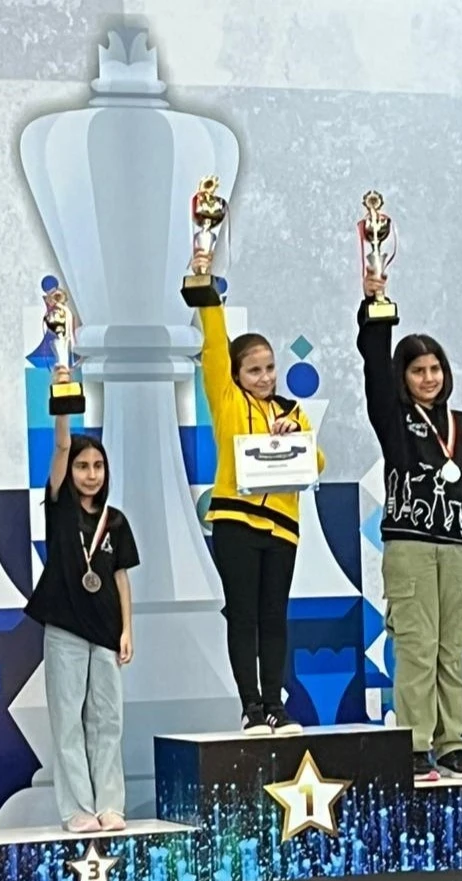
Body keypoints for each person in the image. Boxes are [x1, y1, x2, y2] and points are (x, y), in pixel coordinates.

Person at [357, 275, 462, 779]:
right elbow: (374, 368)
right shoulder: (394, 421)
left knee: (452, 651)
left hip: (461, 549)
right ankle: (415, 745)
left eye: (435, 369)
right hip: (411, 548)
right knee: (417, 649)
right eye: (417, 370)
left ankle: (452, 745)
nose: (428, 378)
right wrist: (376, 308)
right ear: (402, 377)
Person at [192, 257, 325, 735]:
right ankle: (250, 707)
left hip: (283, 528)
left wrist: (296, 438)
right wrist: (205, 286)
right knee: (243, 615)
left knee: (275, 618)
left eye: (270, 368)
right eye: (254, 370)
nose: (265, 378)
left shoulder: (293, 410)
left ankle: (275, 705)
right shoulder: (227, 400)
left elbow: (317, 463)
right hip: (236, 522)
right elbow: (214, 343)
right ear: (235, 373)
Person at [25, 367, 139, 834]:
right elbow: (59, 446)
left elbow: (121, 578)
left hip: (107, 630)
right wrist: (63, 395)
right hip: (66, 629)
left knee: (108, 720)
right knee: (68, 720)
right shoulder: (60, 508)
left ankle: (110, 804)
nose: (91, 475)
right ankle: (77, 809)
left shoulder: (116, 521)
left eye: (98, 467)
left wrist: (127, 629)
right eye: (82, 466)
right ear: (69, 472)